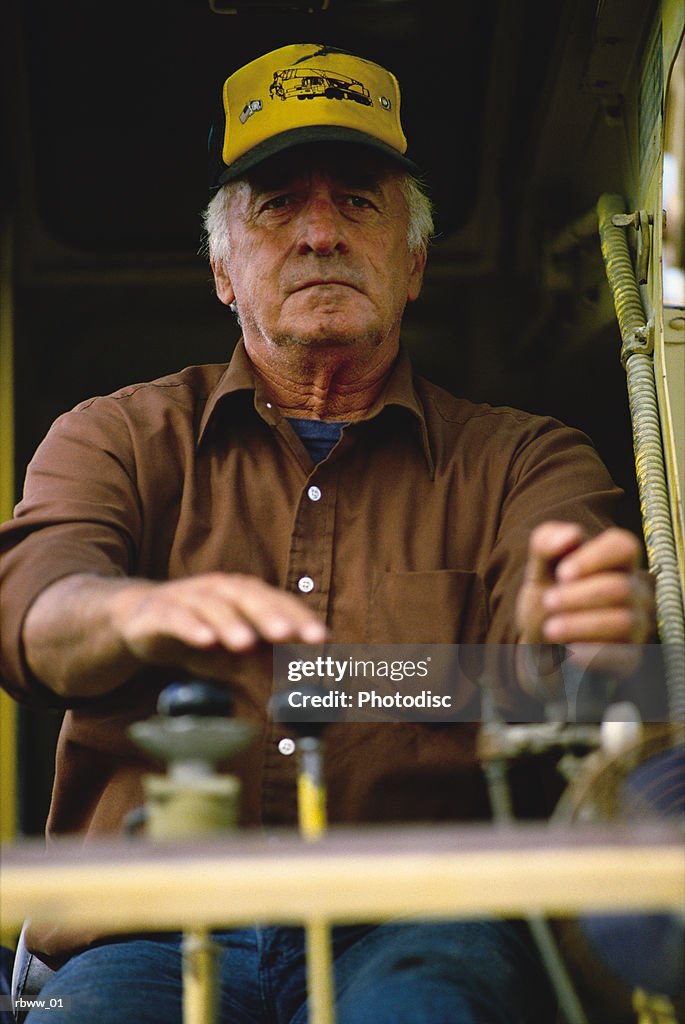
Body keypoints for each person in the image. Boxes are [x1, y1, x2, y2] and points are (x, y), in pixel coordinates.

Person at [0, 42, 655, 1024]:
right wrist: (136, 611)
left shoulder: (524, 460)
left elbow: (564, 650)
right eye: (276, 204)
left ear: (414, 261)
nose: (318, 232)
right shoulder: (113, 437)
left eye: (357, 200)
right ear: (224, 271)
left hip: (419, 916)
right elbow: (29, 613)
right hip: (140, 919)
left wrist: (587, 630)